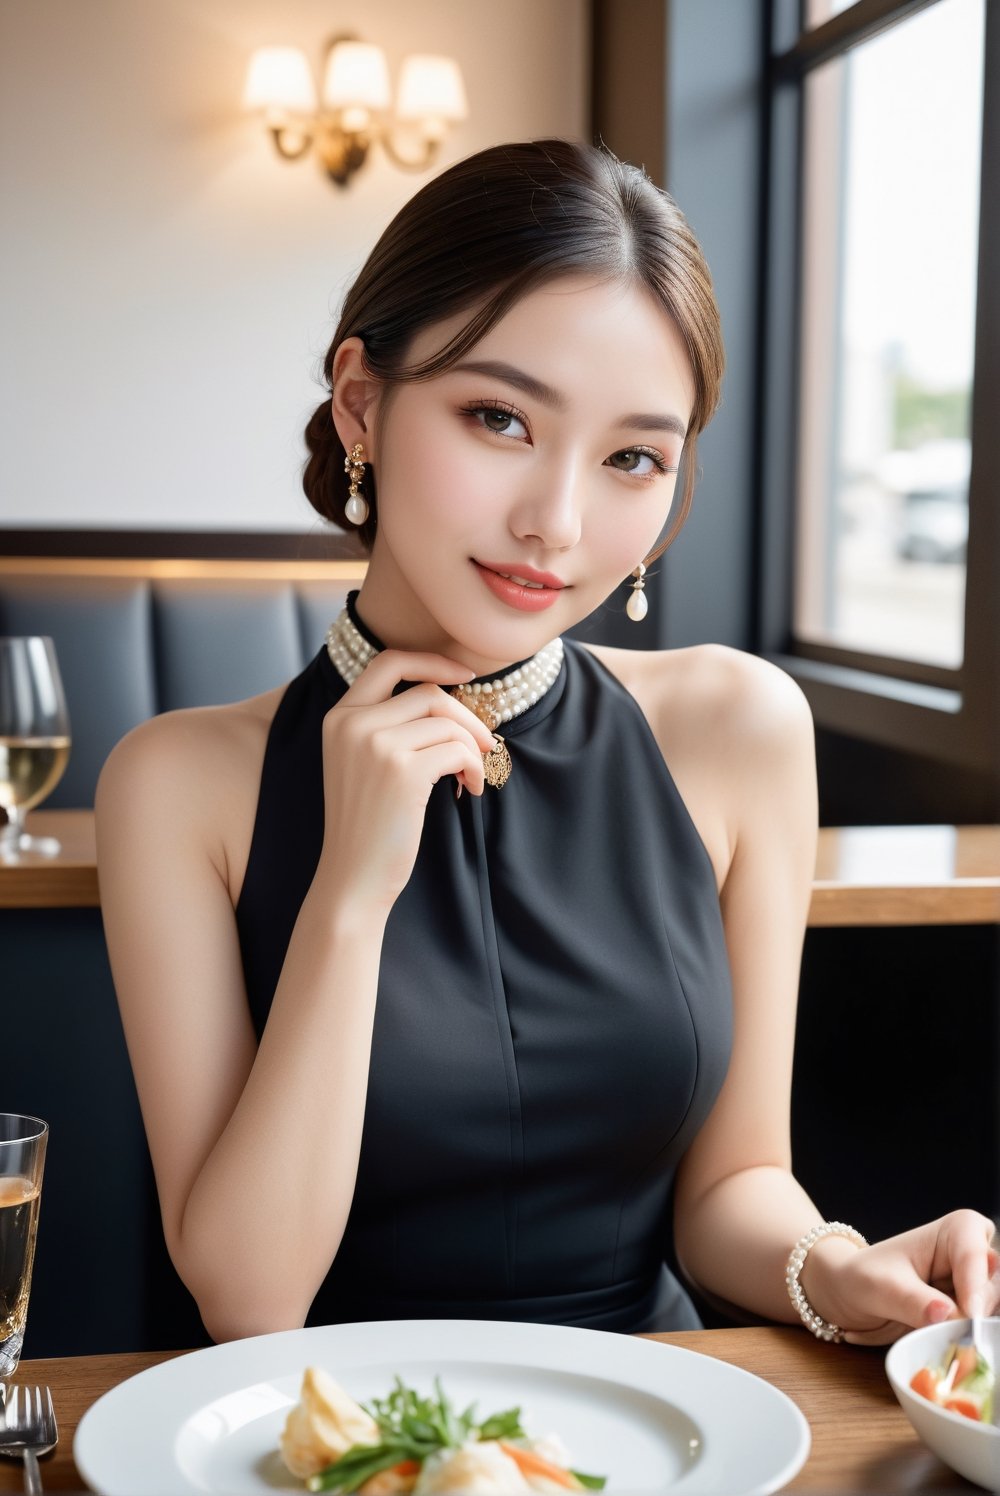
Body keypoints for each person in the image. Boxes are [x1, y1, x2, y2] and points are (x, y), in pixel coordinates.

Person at [96, 139, 998, 1347]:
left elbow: (733, 1185)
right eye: (498, 417)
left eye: (632, 456)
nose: (557, 522)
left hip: (662, 1423)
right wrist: (350, 897)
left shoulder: (738, 729)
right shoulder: (178, 783)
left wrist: (829, 1264)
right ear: (361, 400)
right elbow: (250, 1297)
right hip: (328, 1436)